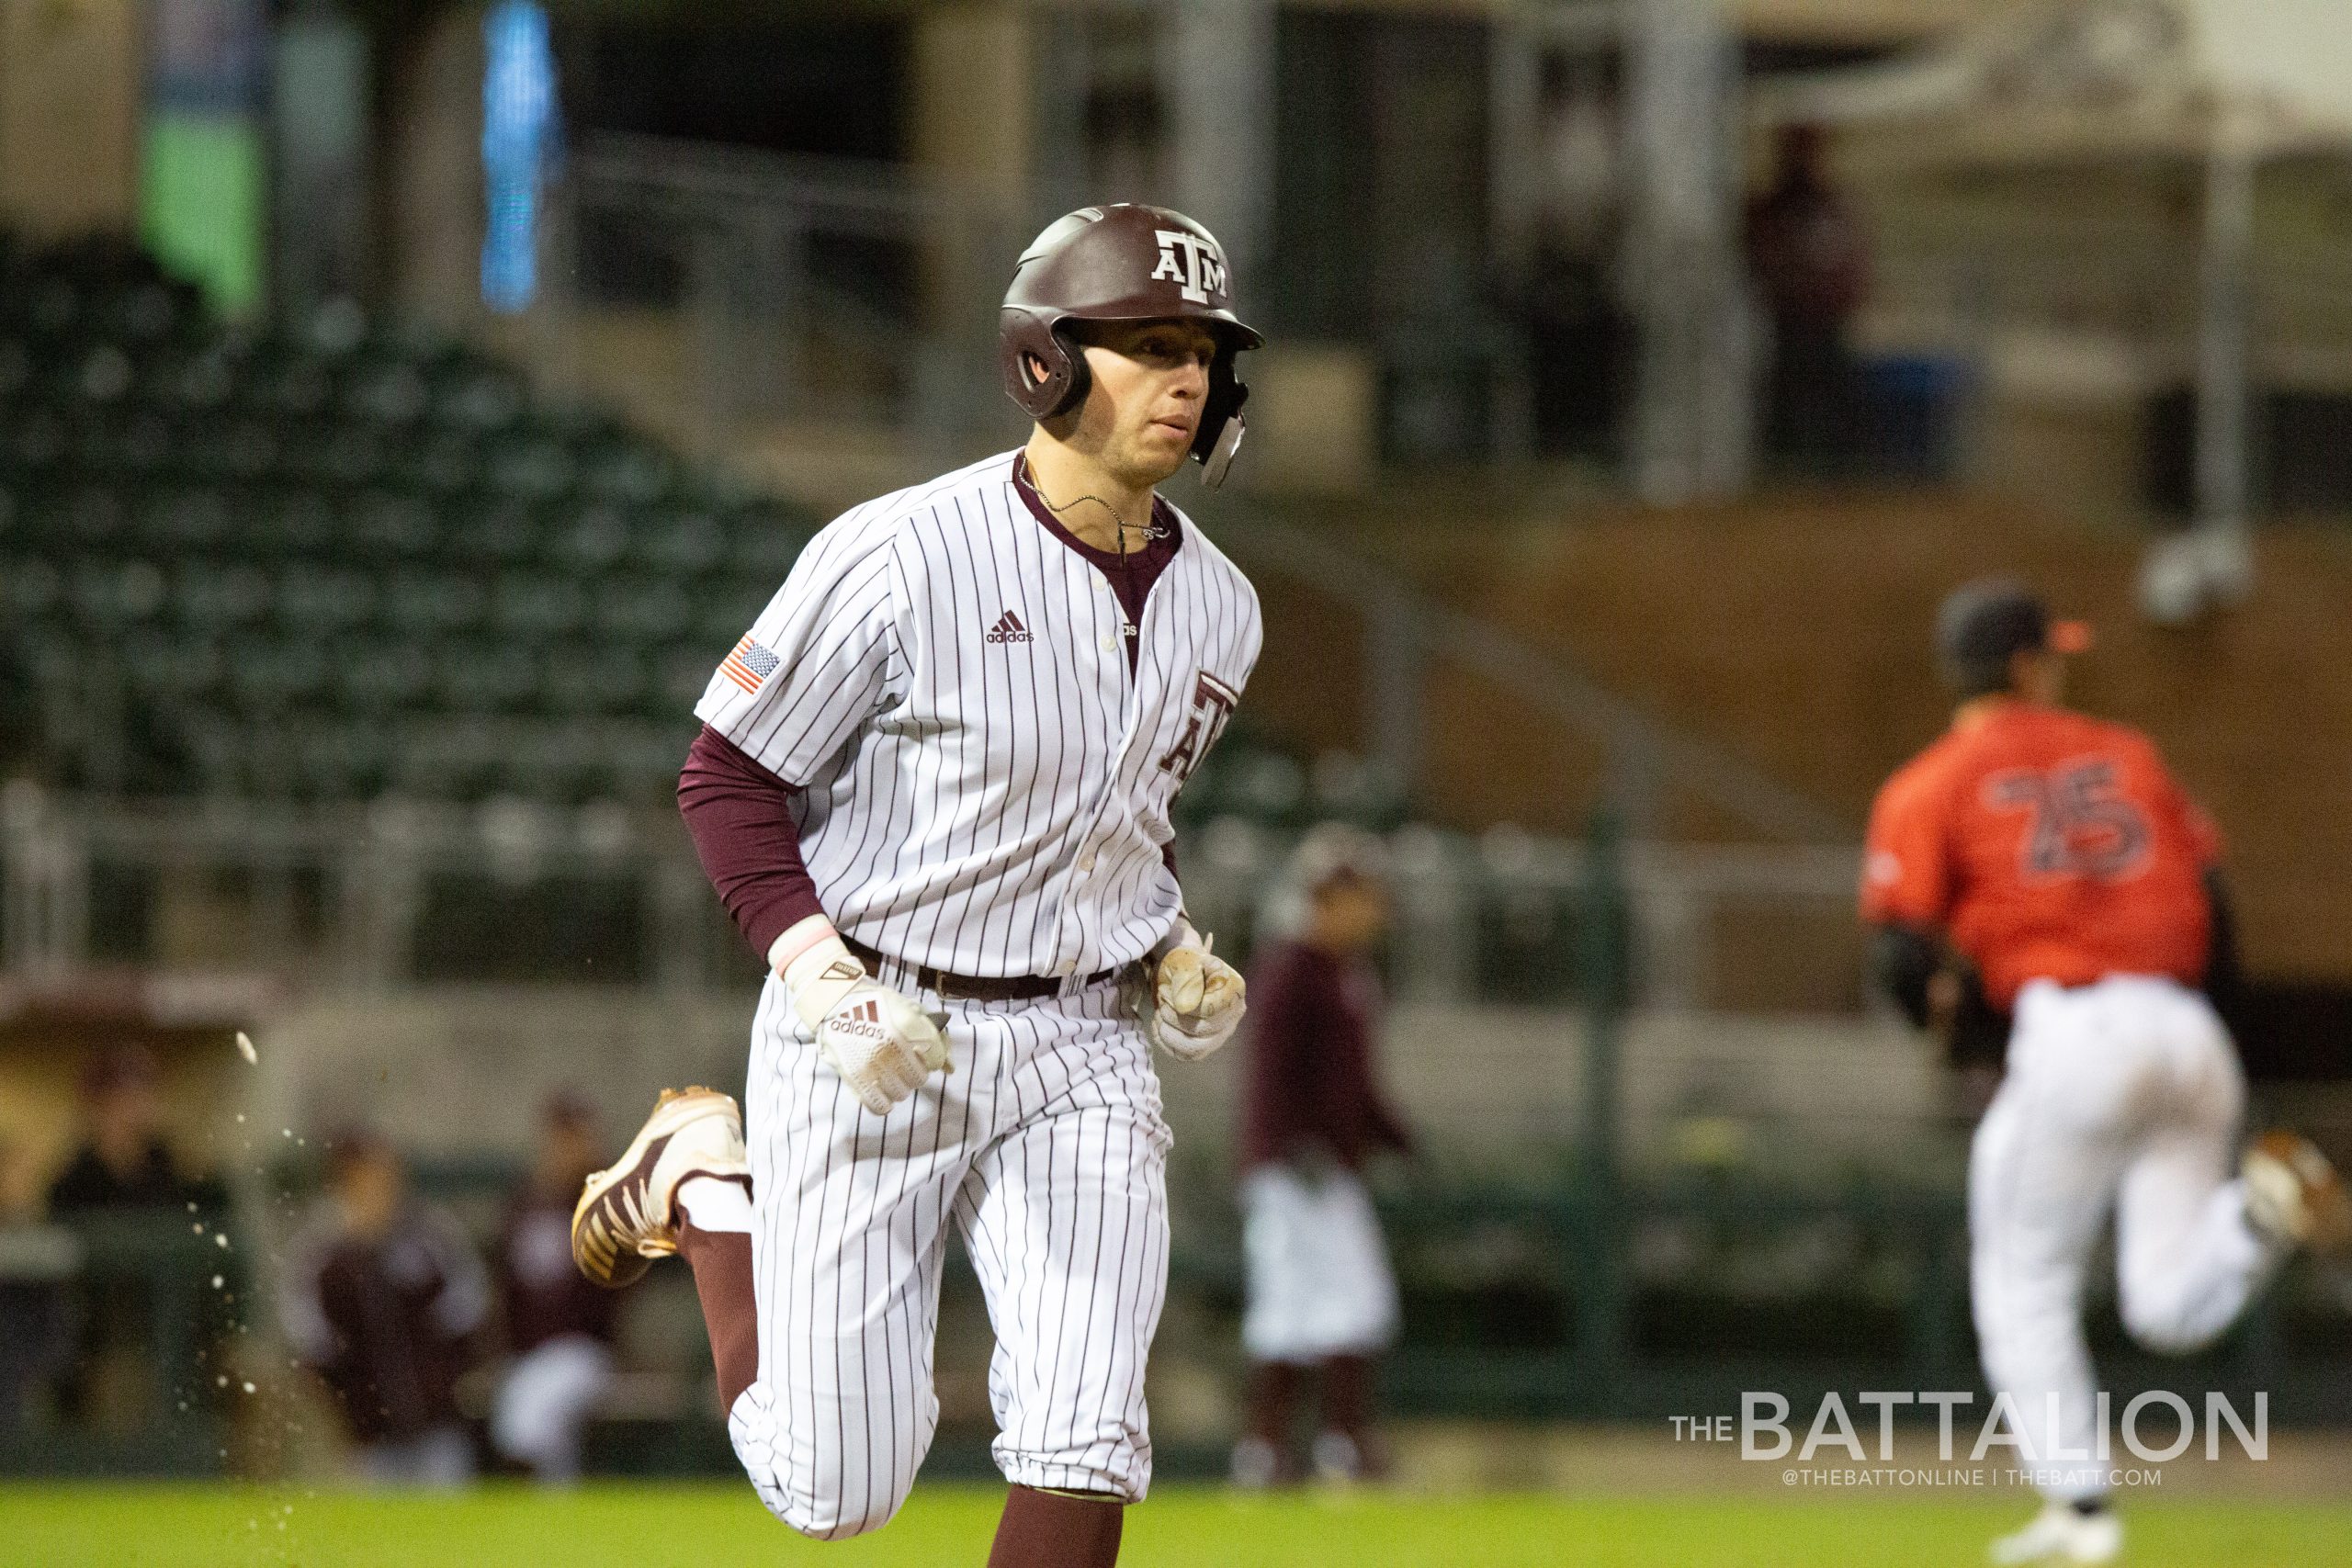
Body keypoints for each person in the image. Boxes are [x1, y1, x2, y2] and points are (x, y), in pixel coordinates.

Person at [571, 203, 1263, 1565]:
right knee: (838, 1491)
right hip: (875, 1019)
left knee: (1088, 1428)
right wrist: (820, 976)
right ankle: (708, 1183)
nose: (1185, 377)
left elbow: (1115, 817)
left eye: (1203, 350)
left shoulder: (1223, 603)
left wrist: (1167, 940)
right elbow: (725, 776)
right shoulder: (901, 552)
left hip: (1080, 1049)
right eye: (1146, 342)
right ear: (1045, 362)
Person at [1861, 580, 2350, 1566]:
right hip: (2182, 1027)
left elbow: (1900, 956)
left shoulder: (1931, 782)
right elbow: (2215, 914)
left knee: (2020, 1279)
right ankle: (2257, 1209)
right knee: (2167, 1307)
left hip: (2075, 1027)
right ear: (2029, 664)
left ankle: (2079, 1515)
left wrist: (1957, 1044)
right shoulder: (2128, 755)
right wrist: (2210, 1042)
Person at [1231, 825, 1413, 1489]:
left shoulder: (1344, 974)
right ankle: (1276, 1448)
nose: (1372, 909)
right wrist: (1286, 1144)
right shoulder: (1291, 970)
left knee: (1346, 1302)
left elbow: (1354, 1083)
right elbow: (1270, 1073)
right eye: (1359, 894)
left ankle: (1321, 1446)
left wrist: (1396, 1138)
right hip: (1292, 1172)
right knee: (1299, 1305)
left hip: (1329, 1166)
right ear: (1327, 896)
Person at [279, 1131, 490, 1487]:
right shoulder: (324, 1256)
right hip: (369, 1438)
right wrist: (348, 1405)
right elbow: (311, 1341)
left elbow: (467, 1313)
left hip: (439, 1427)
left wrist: (447, 1382)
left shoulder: (430, 1238)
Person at [47, 1045, 229, 1431]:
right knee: (126, 1392)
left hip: (188, 1334)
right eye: (120, 1097)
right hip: (109, 1342)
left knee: (251, 1376)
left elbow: (216, 1241)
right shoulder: (72, 1185)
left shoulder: (175, 1174)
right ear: (95, 1106)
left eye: (143, 1094)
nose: (134, 1108)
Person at [491, 1093, 618, 1483]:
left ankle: (540, 1495)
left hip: (585, 1350)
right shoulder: (524, 1203)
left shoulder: (603, 1203)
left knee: (535, 1408)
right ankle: (554, 1508)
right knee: (531, 1405)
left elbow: (616, 1289)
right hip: (528, 1356)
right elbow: (505, 1286)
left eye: (574, 1137)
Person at [1745, 124, 1870, 476]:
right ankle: (1784, 473)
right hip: (1786, 327)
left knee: (1837, 408)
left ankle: (1840, 476)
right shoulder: (1770, 209)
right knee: (1787, 412)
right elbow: (1760, 258)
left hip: (1829, 326)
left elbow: (1855, 259)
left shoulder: (1834, 205)